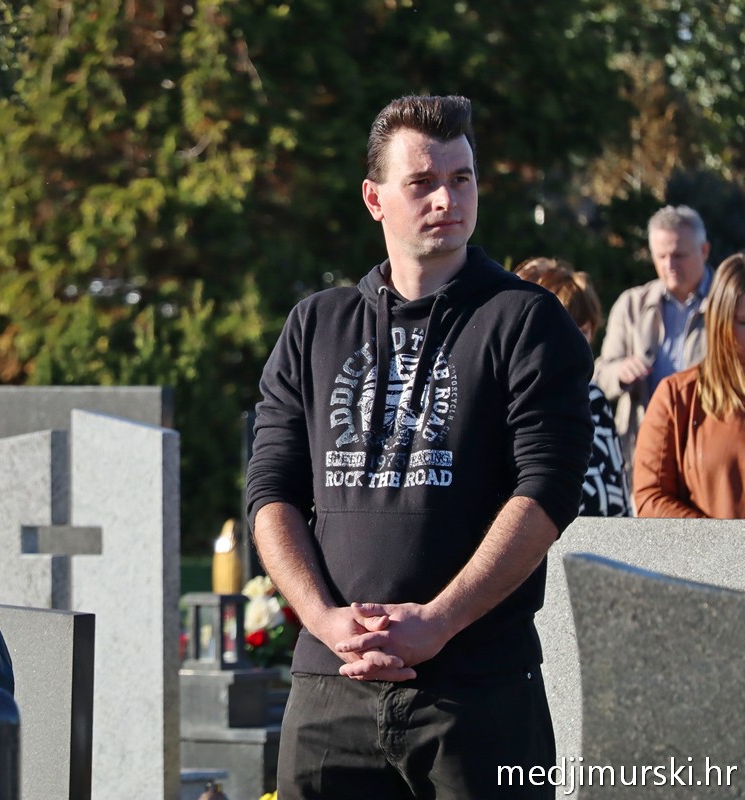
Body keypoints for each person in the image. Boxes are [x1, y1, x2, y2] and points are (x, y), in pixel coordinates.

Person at [245, 95, 593, 798]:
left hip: (478, 691)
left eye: (461, 179)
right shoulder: (315, 325)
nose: (447, 200)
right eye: (423, 183)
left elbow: (548, 489)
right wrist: (324, 620)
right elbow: (270, 491)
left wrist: (440, 621)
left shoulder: (526, 321)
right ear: (374, 199)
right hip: (330, 691)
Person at [593, 205, 712, 474]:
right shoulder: (632, 305)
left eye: (679, 255)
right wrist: (621, 372)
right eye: (661, 256)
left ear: (704, 250)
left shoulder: (730, 305)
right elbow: (599, 375)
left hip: (709, 452)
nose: (669, 265)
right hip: (644, 452)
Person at [515, 257, 630, 517]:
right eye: (565, 330)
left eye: (584, 331)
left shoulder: (595, 398)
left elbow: (618, 497)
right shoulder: (506, 402)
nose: (576, 344)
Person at [633, 253, 745, 518]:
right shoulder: (677, 396)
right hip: (708, 545)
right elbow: (650, 499)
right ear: (720, 322)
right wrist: (719, 538)